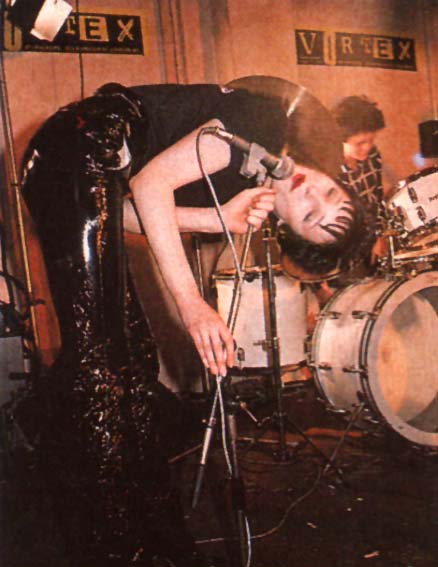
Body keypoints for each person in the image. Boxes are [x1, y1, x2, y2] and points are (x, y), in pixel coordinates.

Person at [20, 81, 363, 566]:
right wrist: (192, 305)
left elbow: (123, 213)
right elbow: (148, 185)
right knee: (100, 369)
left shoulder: (241, 182)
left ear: (286, 228)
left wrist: (216, 218)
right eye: (329, 191)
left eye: (310, 213)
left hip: (68, 164)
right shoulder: (265, 124)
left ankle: (159, 539)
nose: (312, 191)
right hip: (82, 141)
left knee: (133, 363)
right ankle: (116, 550)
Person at [331, 94, 386, 277]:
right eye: (360, 143)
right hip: (340, 255)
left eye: (371, 140)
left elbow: (376, 199)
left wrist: (378, 235)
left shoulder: (373, 156)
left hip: (370, 247)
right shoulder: (327, 171)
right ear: (340, 139)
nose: (368, 147)